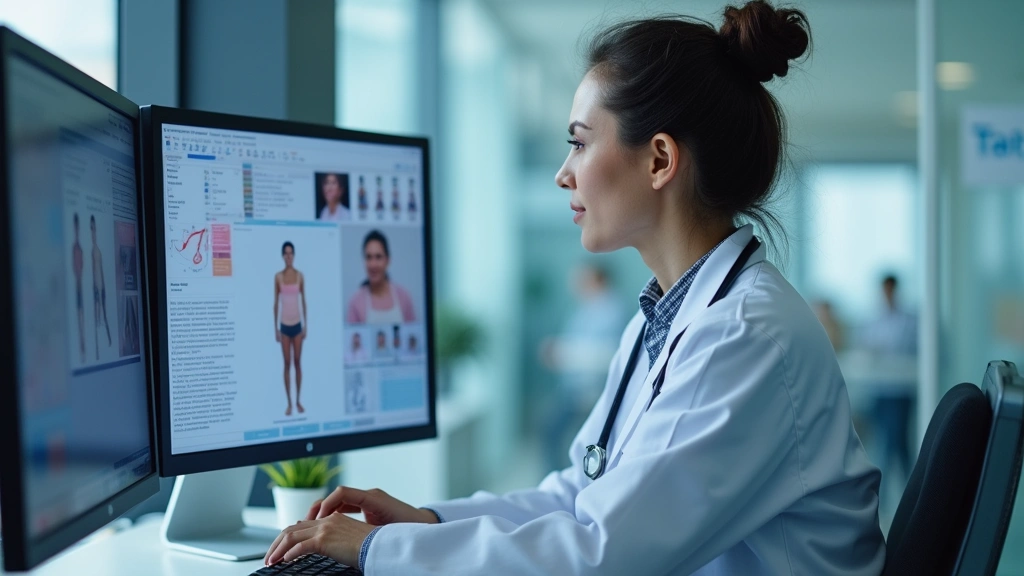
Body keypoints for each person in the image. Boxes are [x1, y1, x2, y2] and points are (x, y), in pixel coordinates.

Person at [265, 3, 885, 574]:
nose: (564, 174)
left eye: (580, 143)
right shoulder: (662, 320)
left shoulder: (745, 336)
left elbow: (598, 555)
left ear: (660, 160)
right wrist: (425, 522)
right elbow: (579, 495)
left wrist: (376, 549)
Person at [541, 263, 627, 471]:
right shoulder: (587, 308)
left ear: (598, 280)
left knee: (573, 439)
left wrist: (562, 353)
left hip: (590, 394)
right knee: (555, 434)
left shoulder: (611, 311)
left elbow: (607, 354)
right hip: (574, 391)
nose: (576, 285)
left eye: (583, 279)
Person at [859, 274, 917, 499]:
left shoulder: (909, 321)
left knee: (897, 445)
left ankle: (899, 495)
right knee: (889, 444)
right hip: (880, 392)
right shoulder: (874, 321)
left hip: (901, 393)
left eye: (890, 290)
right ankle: (900, 496)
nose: (887, 295)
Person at [345, 230, 417, 324]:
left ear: (388, 260)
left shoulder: (404, 297)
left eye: (378, 257)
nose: (373, 264)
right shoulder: (356, 302)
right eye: (368, 257)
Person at [274, 241, 307, 416]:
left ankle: (298, 401)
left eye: (291, 253)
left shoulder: (300, 276)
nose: (288, 256)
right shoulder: (278, 277)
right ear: (282, 256)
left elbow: (304, 301)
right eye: (286, 253)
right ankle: (289, 403)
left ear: (294, 255)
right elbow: (275, 303)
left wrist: (306, 325)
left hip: (297, 325)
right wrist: (276, 329)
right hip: (284, 326)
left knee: (297, 363)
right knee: (287, 364)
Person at [90, 215, 111, 359]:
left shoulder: (97, 250)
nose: (93, 232)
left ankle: (108, 343)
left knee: (104, 316)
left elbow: (100, 270)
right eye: (91, 229)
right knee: (97, 319)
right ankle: (97, 351)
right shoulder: (92, 251)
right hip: (96, 289)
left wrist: (103, 287)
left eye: (94, 229)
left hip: (101, 287)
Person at [72, 213, 85, 362]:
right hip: (76, 287)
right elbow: (75, 267)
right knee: (78, 316)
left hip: (81, 287)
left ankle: (83, 347)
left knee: (82, 316)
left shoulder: (80, 248)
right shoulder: (75, 248)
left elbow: (81, 267)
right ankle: (80, 349)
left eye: (77, 227)